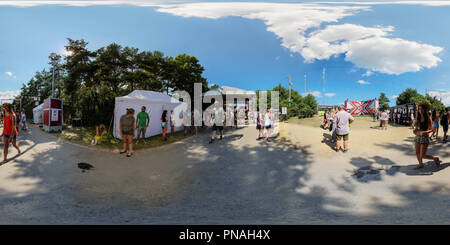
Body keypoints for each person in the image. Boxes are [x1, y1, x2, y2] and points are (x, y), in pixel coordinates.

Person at [413, 103, 441, 169]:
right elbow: (415, 129)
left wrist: (424, 132)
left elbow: (432, 129)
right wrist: (415, 131)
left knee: (423, 155)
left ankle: (435, 158)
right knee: (417, 152)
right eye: (419, 109)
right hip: (417, 137)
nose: (420, 110)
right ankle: (420, 164)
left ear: (424, 110)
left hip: (424, 137)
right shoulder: (417, 118)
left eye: (422, 109)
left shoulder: (428, 118)